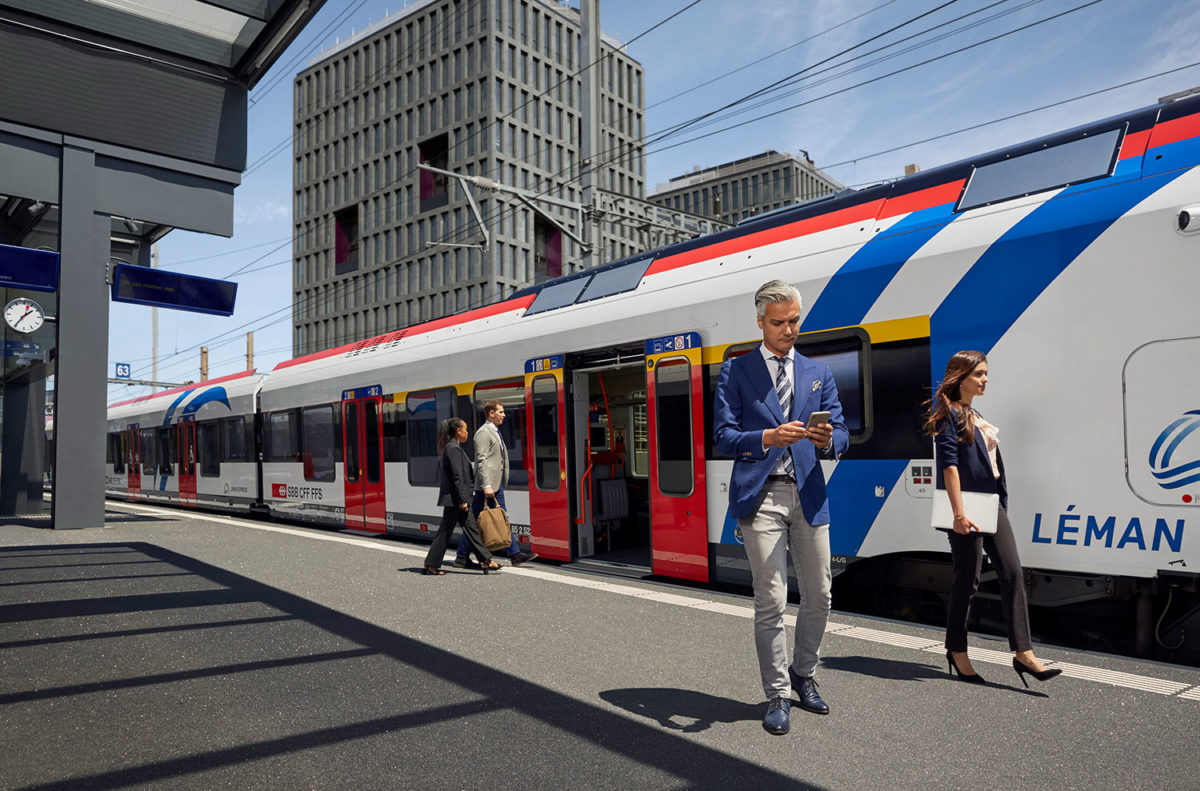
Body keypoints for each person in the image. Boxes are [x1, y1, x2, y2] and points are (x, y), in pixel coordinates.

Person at [714, 280, 849, 735]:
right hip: (762, 495)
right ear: (760, 322)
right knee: (771, 598)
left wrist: (830, 440)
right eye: (779, 323)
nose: (789, 329)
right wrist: (768, 438)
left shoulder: (817, 373)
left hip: (809, 491)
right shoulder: (736, 371)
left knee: (821, 594)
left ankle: (803, 673)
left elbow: (844, 434)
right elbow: (724, 438)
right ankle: (777, 693)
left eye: (794, 320)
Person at [925, 350, 1061, 687]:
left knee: (1013, 571)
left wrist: (999, 498)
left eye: (986, 374)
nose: (986, 379)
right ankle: (957, 651)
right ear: (961, 377)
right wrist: (959, 514)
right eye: (980, 374)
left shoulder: (974, 413)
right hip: (967, 508)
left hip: (991, 505)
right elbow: (949, 466)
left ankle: (1023, 653)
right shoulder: (948, 415)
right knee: (967, 580)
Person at [453, 400, 538, 568]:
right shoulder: (483, 433)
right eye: (501, 412)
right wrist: (486, 485)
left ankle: (462, 557)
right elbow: (482, 461)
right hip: (488, 486)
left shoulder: (495, 431)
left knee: (481, 520)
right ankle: (514, 554)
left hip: (494, 484)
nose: (504, 415)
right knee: (499, 517)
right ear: (491, 413)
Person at [423, 418, 500, 576]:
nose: (467, 433)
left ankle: (431, 564)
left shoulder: (452, 447)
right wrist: (463, 499)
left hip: (455, 499)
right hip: (456, 500)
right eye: (465, 430)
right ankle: (485, 560)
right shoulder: (453, 448)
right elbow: (458, 476)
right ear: (458, 431)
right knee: (461, 530)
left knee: (461, 530)